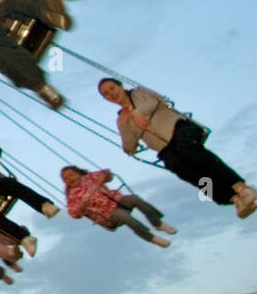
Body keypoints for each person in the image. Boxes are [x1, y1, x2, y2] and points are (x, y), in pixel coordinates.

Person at [99, 78, 256, 219]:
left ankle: (240, 187)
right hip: (165, 148)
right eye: (106, 94)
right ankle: (231, 198)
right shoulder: (121, 120)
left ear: (120, 86)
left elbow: (155, 100)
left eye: (112, 88)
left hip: (178, 128)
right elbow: (129, 147)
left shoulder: (139, 92)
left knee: (188, 150)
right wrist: (125, 125)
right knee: (181, 168)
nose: (111, 94)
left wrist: (136, 113)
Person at [61, 166, 174, 247]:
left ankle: (157, 223)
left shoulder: (90, 178)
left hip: (116, 199)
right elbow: (73, 213)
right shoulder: (72, 195)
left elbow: (106, 174)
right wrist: (81, 207)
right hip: (106, 214)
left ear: (78, 173)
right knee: (125, 217)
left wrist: (106, 175)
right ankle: (151, 238)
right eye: (66, 179)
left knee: (134, 199)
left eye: (71, 175)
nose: (70, 179)